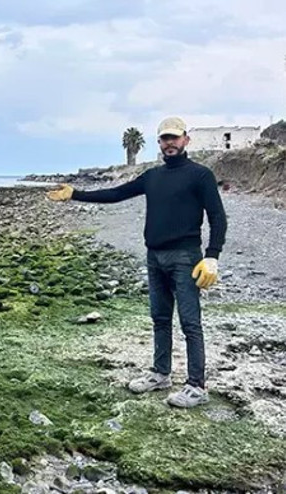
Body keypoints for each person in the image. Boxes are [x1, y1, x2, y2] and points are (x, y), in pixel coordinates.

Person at [46, 117, 227, 408]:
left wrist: (212, 257)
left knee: (190, 322)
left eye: (175, 138)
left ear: (186, 140)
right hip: (154, 257)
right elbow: (117, 194)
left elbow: (217, 217)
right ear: (159, 143)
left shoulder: (200, 175)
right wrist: (75, 195)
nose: (170, 143)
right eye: (164, 139)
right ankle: (160, 373)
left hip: (186, 258)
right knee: (160, 318)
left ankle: (197, 386)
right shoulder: (152, 176)